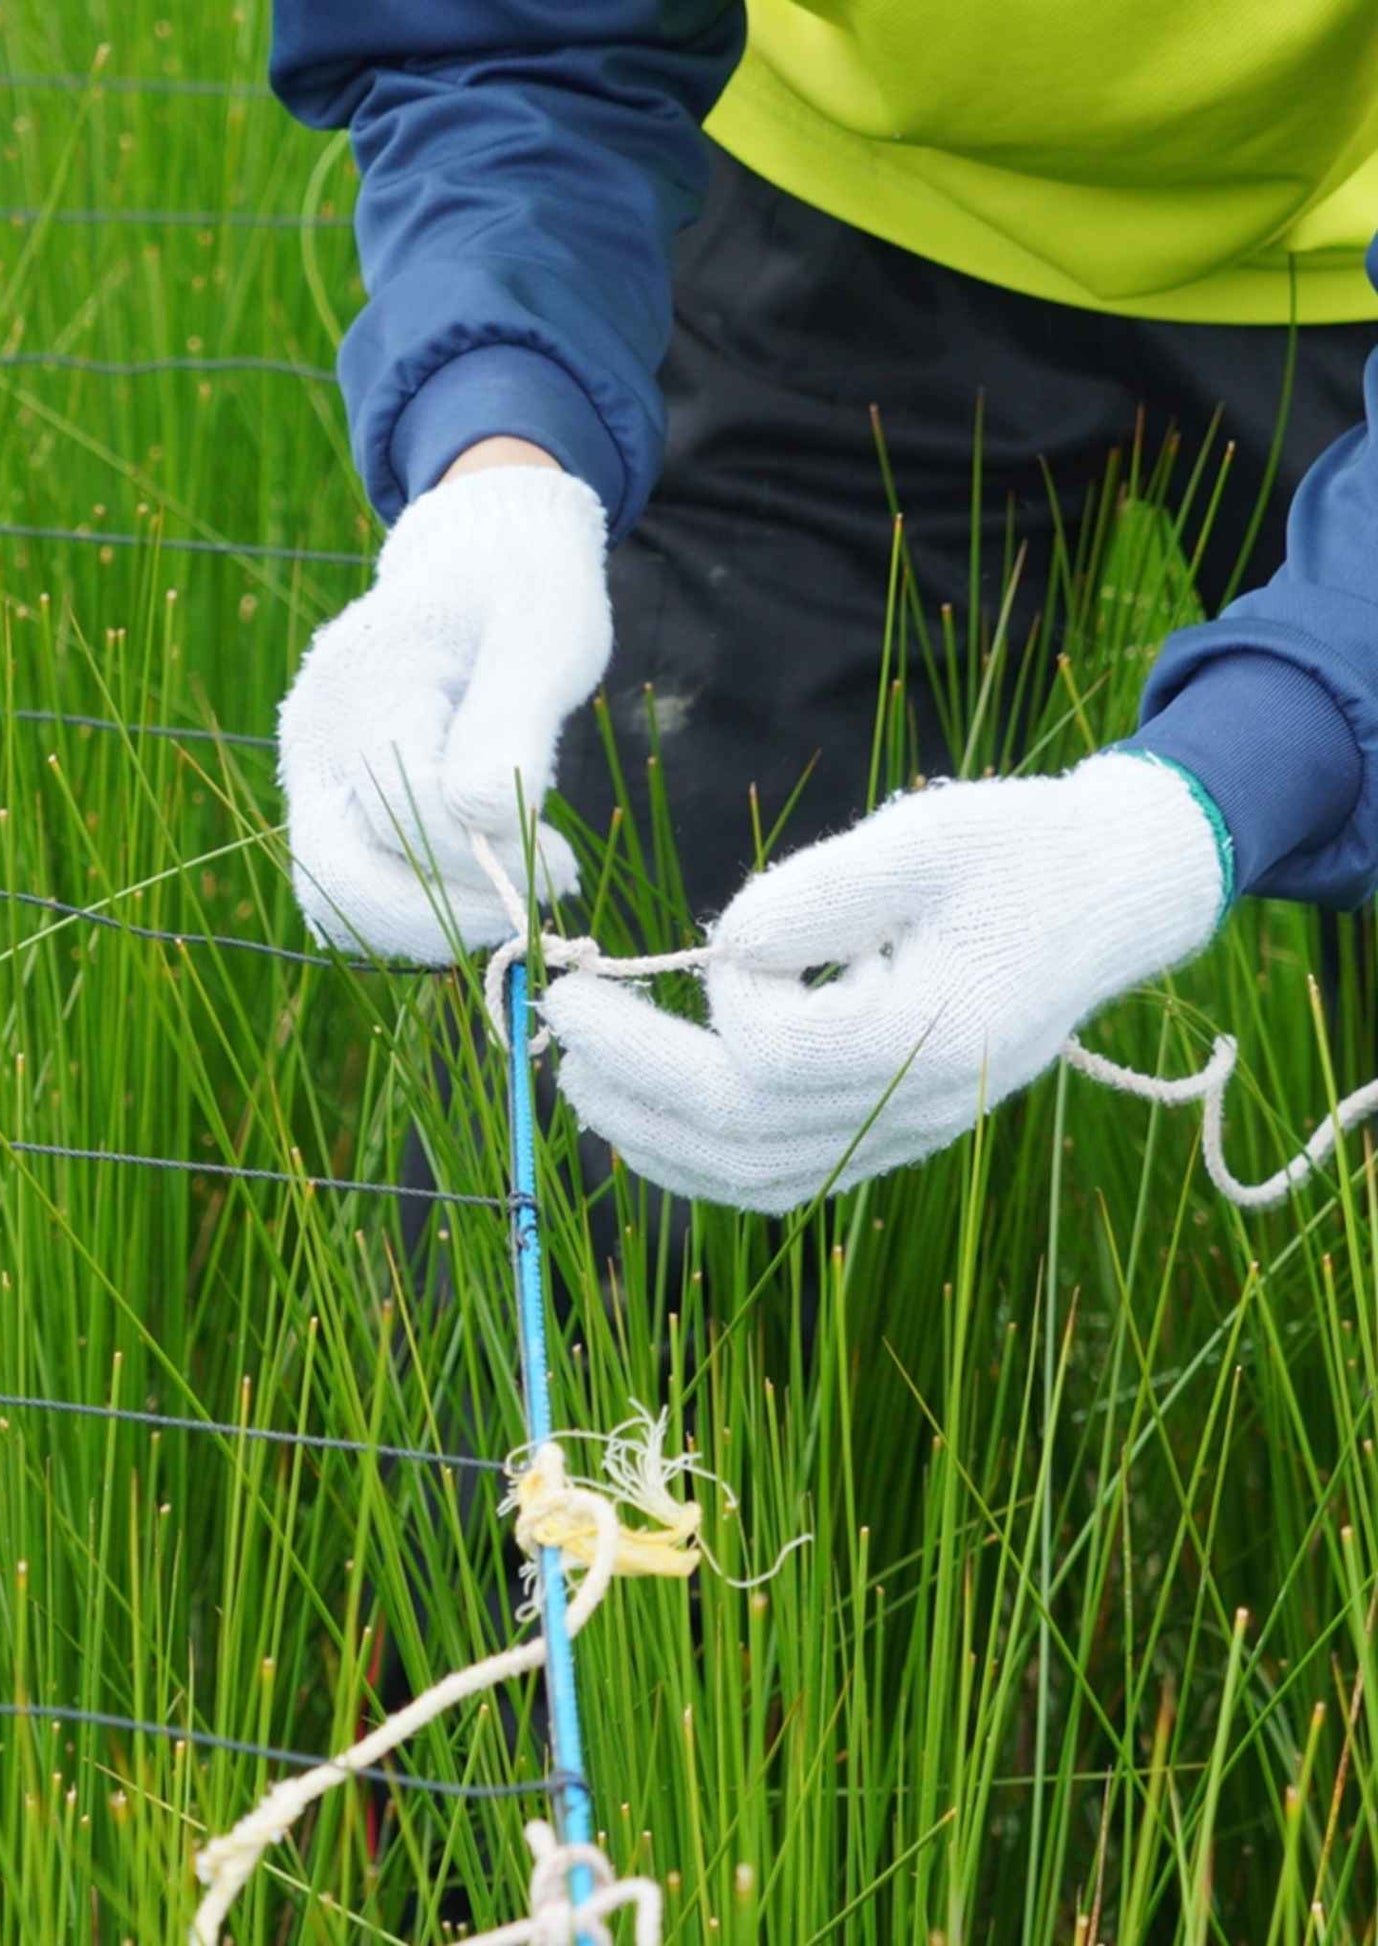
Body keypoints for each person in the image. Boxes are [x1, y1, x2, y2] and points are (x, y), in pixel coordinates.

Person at [268, 4, 1378, 1214]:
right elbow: (499, 26)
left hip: (1344, 225)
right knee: (633, 1169)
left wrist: (1196, 813)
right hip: (830, 210)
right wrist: (495, 454)